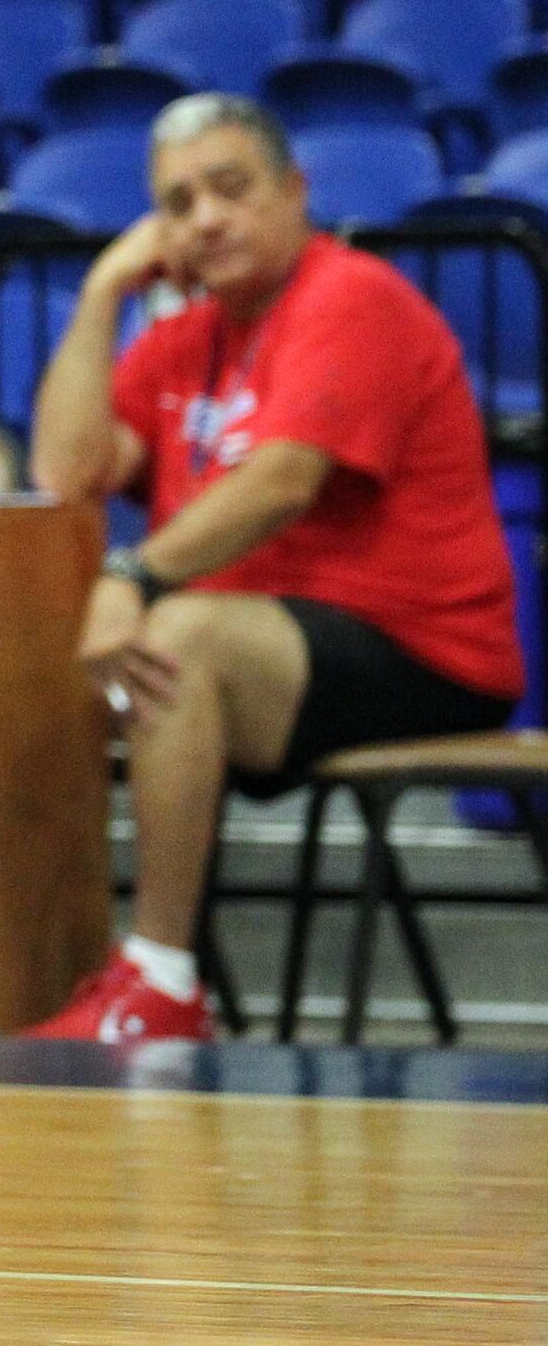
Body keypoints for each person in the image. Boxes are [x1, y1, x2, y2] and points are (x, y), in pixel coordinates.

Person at [26, 92, 522, 1042]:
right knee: (45, 659)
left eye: (229, 188)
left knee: (176, 637)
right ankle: (31, 973)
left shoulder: (351, 295)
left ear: (294, 191)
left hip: (425, 650)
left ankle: (162, 979)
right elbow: (66, 470)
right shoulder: (184, 338)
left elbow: (283, 480)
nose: (205, 218)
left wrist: (132, 577)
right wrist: (102, 295)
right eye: (177, 203)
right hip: (280, 650)